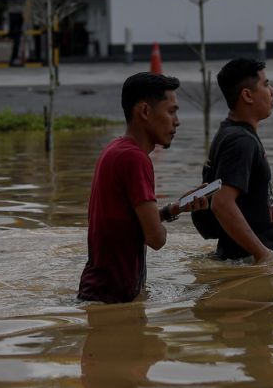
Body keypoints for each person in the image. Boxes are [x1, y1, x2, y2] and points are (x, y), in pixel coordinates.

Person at [78, 72, 209, 304]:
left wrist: (174, 210)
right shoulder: (135, 159)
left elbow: (127, 223)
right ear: (145, 112)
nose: (176, 121)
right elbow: (156, 239)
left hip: (99, 294)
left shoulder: (115, 149)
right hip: (113, 300)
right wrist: (158, 227)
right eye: (171, 111)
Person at [205, 58, 273, 263]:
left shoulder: (232, 133)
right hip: (244, 262)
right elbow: (222, 203)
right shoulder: (241, 142)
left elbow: (250, 205)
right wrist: (263, 254)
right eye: (265, 84)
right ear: (247, 95)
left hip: (242, 257)